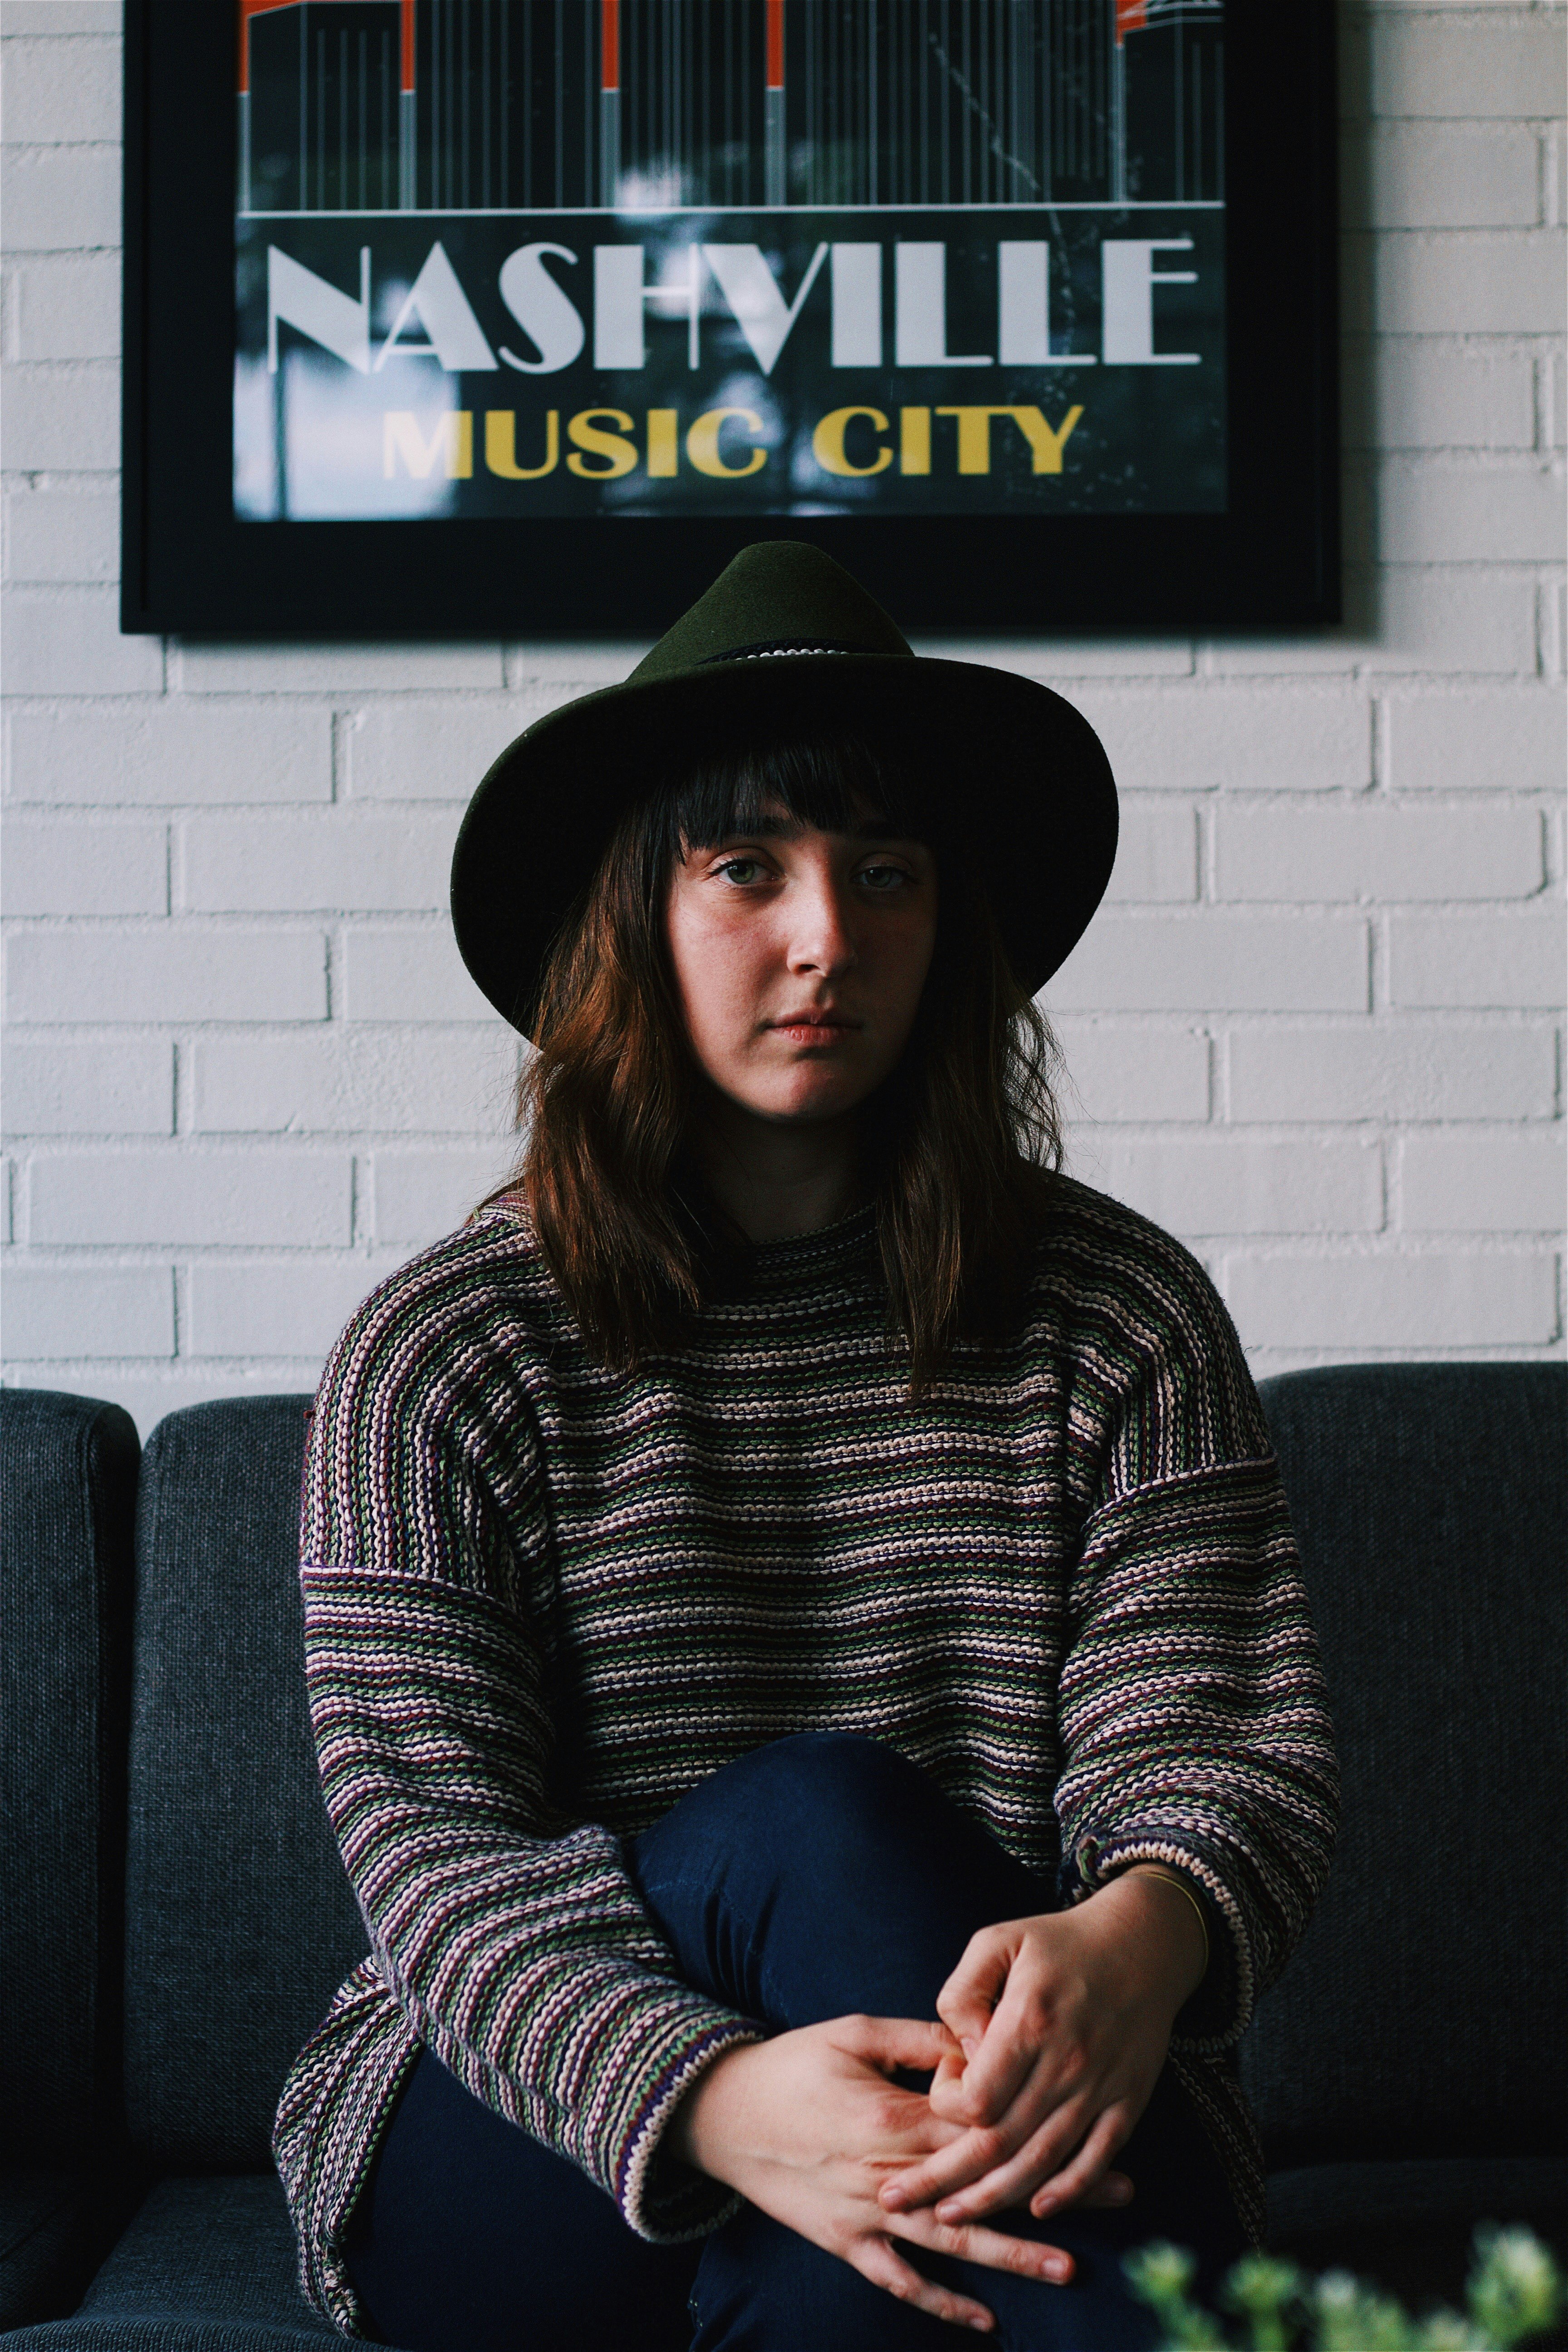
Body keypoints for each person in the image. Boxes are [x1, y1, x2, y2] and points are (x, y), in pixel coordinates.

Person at [274, 543, 1338, 2352]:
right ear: (633, 914)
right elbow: (431, 1854)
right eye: (746, 867)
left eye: (888, 874)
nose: (827, 936)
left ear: (950, 927)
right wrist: (714, 2099)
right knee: (818, 1828)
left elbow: (1216, 1749)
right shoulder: (448, 1351)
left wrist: (1142, 1935)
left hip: (1006, 2108)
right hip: (518, 2128)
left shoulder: (1116, 1316)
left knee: (887, 2261)